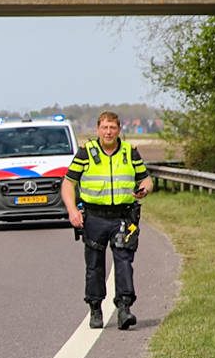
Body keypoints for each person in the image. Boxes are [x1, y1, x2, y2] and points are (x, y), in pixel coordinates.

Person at [61, 110, 153, 329]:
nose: (108, 132)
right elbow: (68, 183)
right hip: (94, 217)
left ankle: (124, 309)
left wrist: (144, 190)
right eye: (105, 127)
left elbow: (146, 179)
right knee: (94, 266)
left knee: (124, 262)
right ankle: (95, 308)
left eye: (112, 128)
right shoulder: (86, 152)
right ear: (98, 129)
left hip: (123, 216)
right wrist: (72, 211)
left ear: (119, 129)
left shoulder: (130, 152)